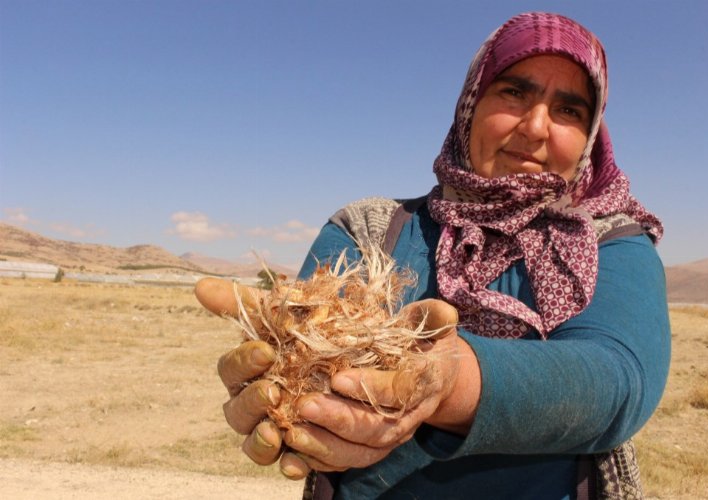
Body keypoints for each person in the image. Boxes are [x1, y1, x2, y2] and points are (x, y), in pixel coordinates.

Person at [196, 11, 670, 499]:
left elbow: (617, 381)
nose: (535, 127)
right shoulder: (368, 230)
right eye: (513, 93)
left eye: (568, 111)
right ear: (470, 105)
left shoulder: (610, 239)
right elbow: (312, 345)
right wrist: (286, 367)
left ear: (591, 136)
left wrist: (449, 382)